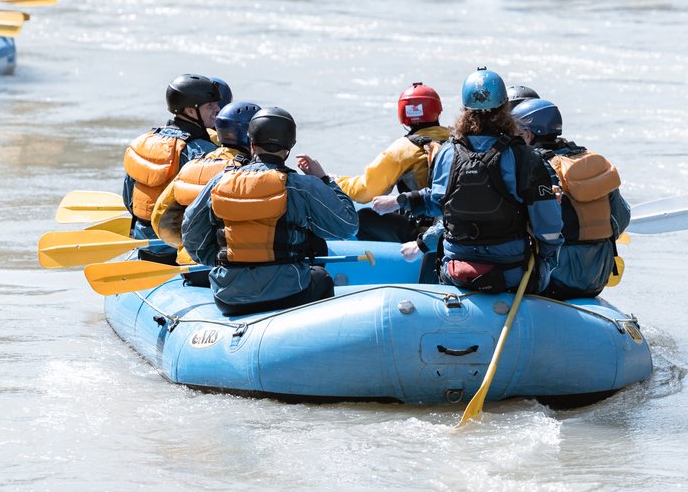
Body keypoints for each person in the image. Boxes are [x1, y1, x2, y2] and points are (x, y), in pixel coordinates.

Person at [368, 68, 562, 294]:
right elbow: (548, 226)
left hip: (456, 272)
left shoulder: (446, 152)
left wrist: (400, 201)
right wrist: (548, 259)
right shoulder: (524, 157)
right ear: (504, 110)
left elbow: (436, 202)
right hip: (511, 274)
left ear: (465, 111)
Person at [182, 107, 358, 315]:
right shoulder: (302, 186)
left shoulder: (219, 182)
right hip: (289, 295)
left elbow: (191, 235)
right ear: (289, 148)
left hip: (229, 298)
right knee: (322, 277)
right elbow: (348, 226)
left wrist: (223, 261)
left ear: (251, 143)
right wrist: (324, 180)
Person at [513, 98, 630, 300]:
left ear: (529, 135)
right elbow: (622, 218)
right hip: (598, 278)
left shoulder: (534, 165)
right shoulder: (591, 162)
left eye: (516, 135)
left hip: (555, 278)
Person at [122, 74, 228, 263]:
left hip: (145, 243)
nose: (217, 110)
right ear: (189, 111)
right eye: (209, 106)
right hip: (177, 251)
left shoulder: (145, 142)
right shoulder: (203, 152)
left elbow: (129, 197)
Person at [334, 83, 452, 243]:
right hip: (453, 225)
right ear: (437, 110)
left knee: (363, 217)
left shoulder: (404, 148)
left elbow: (364, 191)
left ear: (403, 115)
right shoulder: (456, 139)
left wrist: (334, 182)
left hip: (425, 233)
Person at [150, 100, 259, 252]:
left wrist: (187, 248)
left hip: (189, 261)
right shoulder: (251, 173)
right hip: (226, 265)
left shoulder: (195, 164)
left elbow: (160, 219)